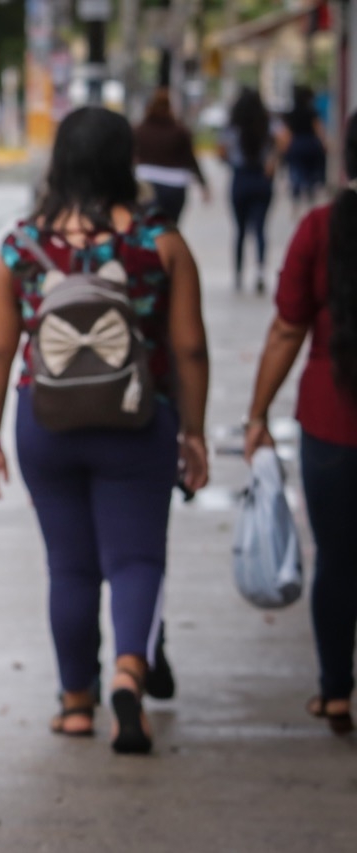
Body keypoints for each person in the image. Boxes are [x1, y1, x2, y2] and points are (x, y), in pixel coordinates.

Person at [0, 106, 210, 756]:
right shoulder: (160, 241)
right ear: (124, 162)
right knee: (136, 558)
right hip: (138, 419)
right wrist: (193, 432)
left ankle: (76, 700)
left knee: (70, 566)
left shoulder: (21, 246)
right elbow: (188, 349)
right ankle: (131, 671)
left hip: (45, 421)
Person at [244, 110, 357, 738]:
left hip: (332, 422)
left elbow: (288, 328)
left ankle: (336, 694)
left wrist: (257, 414)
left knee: (338, 560)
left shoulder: (321, 228)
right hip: (328, 419)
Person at [219, 89, 280, 294]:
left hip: (241, 179)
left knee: (240, 231)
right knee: (261, 228)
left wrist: (231, 161)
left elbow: (222, 152)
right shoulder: (267, 125)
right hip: (262, 180)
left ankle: (238, 274)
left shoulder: (232, 127)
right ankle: (261, 271)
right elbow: (284, 140)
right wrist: (273, 160)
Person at [134, 87, 210, 225]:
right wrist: (203, 185)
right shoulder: (179, 131)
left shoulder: (139, 130)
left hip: (147, 182)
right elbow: (190, 160)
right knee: (171, 227)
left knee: (147, 228)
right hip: (175, 185)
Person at [281, 84, 328, 215]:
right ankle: (310, 205)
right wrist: (323, 143)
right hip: (310, 144)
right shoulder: (311, 112)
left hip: (296, 145)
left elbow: (286, 133)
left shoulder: (292, 113)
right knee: (311, 175)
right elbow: (318, 129)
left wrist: (285, 148)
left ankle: (295, 206)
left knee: (296, 174)